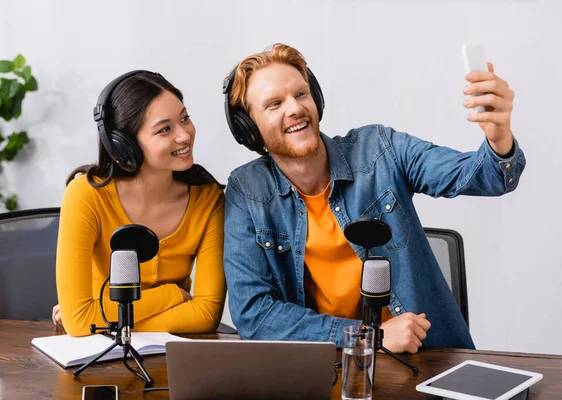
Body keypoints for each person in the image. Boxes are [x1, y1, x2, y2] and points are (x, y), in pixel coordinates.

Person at [222, 43, 525, 353]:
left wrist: (498, 136)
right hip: (328, 364)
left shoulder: (380, 149)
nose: (295, 108)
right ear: (249, 128)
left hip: (422, 359)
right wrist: (369, 336)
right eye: (274, 104)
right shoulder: (247, 191)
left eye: (301, 94)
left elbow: (486, 177)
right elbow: (254, 315)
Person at [53, 71, 226, 337]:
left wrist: (103, 321)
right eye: (164, 129)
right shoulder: (86, 196)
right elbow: (79, 321)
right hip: (97, 356)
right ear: (124, 146)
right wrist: (171, 295)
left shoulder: (209, 198)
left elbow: (205, 315)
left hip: (170, 355)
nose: (184, 135)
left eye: (184, 118)